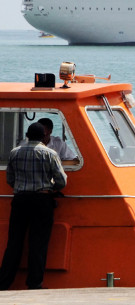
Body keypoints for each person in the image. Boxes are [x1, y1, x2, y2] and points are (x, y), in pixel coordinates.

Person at [0, 122, 67, 290]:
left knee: (14, 242)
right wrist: (52, 187)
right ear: (44, 136)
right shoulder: (50, 154)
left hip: (20, 200)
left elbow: (10, 179)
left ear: (28, 135)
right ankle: (34, 283)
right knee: (38, 243)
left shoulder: (15, 153)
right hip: (42, 200)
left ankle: (4, 282)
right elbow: (61, 180)